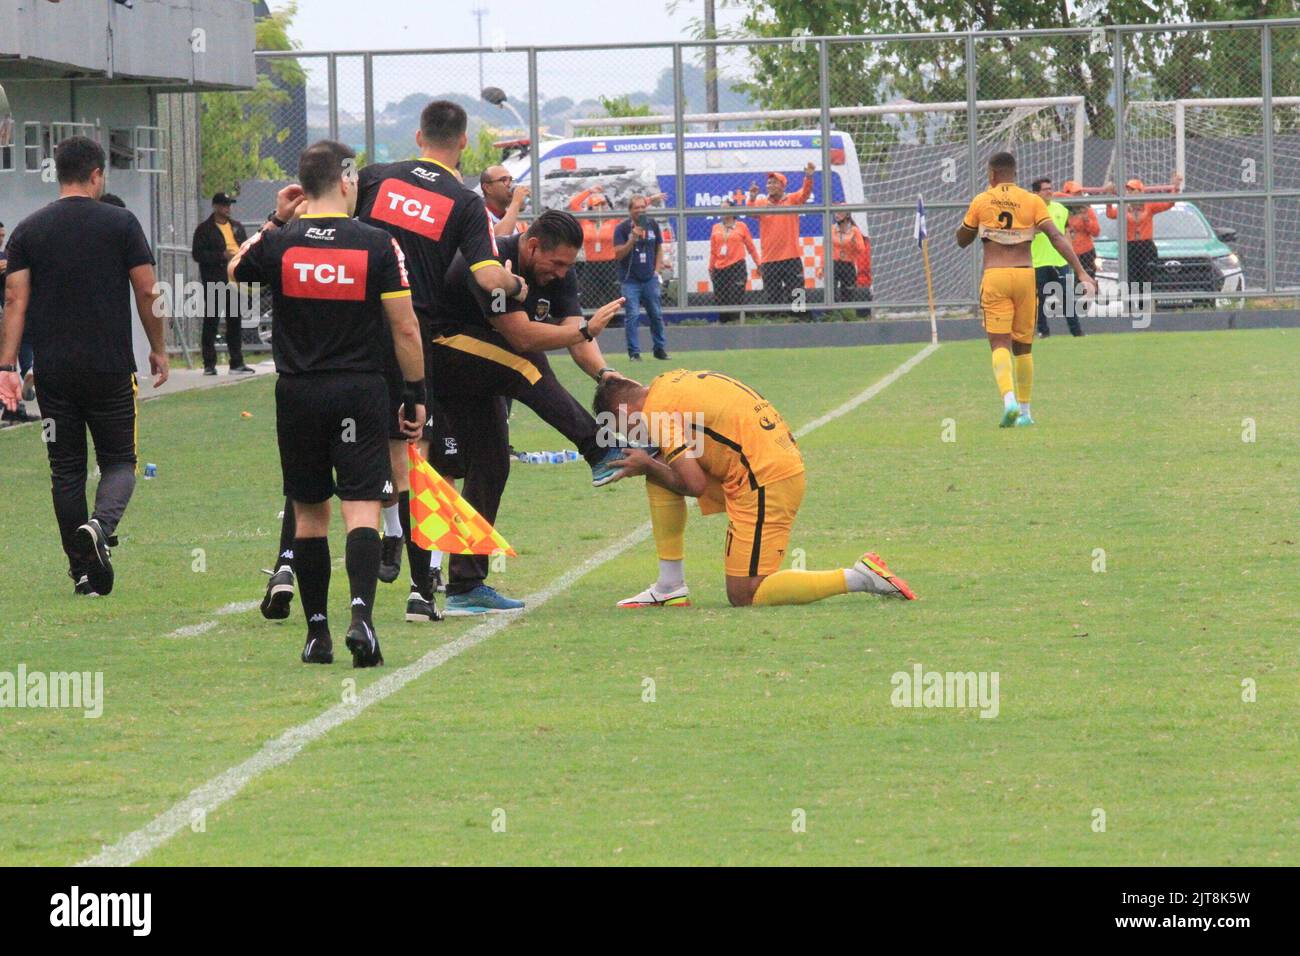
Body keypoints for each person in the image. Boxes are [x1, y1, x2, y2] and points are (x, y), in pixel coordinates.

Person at [262, 100, 527, 627]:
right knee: (411, 464)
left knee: (313, 465)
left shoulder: (377, 177)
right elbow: (489, 279)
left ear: (418, 134)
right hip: (410, 334)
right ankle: (418, 591)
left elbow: (325, 221)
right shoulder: (463, 201)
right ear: (465, 142)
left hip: (350, 337)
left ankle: (286, 567)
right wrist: (518, 283)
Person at [230, 140, 426, 667]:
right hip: (359, 391)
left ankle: (317, 633)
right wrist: (415, 393)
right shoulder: (378, 244)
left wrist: (275, 216)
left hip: (297, 393)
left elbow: (235, 271)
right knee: (360, 507)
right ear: (344, 180)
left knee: (309, 515)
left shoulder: (282, 242)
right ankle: (361, 617)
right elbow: (405, 326)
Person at [431, 210, 626, 615]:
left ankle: (465, 586)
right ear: (532, 245)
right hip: (443, 349)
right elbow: (521, 336)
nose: (561, 273)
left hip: (485, 363)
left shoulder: (561, 271)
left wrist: (605, 374)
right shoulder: (493, 260)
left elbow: (575, 335)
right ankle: (599, 451)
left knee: (491, 465)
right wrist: (585, 330)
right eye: (556, 263)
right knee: (529, 364)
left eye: (568, 265)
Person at [0, 136, 170, 595]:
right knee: (119, 462)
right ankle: (99, 527)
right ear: (97, 175)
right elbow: (148, 291)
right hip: (110, 369)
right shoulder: (120, 223)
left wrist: (5, 366)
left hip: (53, 373)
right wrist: (158, 346)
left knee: (66, 470)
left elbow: (14, 299)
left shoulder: (28, 230)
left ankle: (82, 572)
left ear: (59, 174)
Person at [594, 371, 916, 608]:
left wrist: (647, 464)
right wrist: (653, 464)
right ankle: (669, 587)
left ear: (625, 412)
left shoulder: (656, 413)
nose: (635, 437)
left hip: (765, 480)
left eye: (624, 429)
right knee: (659, 467)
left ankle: (861, 577)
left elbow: (694, 485)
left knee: (746, 595)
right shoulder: (666, 382)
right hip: (764, 463)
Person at [955, 152, 1096, 428]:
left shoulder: (982, 200)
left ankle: (1008, 400)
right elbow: (1057, 237)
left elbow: (962, 239)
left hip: (995, 276)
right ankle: (1026, 412)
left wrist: (974, 225)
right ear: (1014, 174)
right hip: (1024, 276)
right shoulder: (1031, 201)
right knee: (1023, 346)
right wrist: (1081, 272)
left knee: (999, 344)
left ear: (991, 174)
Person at [192, 192, 254, 376]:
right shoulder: (204, 229)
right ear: (216, 206)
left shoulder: (237, 227)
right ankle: (209, 364)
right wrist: (221, 256)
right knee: (211, 321)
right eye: (224, 205)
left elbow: (246, 247)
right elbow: (198, 254)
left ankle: (236, 362)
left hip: (234, 279)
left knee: (234, 321)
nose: (228, 208)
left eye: (229, 205)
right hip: (215, 280)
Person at [745, 163, 816, 306]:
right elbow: (750, 213)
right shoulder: (761, 202)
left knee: (797, 294)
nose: (770, 185)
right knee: (772, 297)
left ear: (783, 185)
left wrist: (808, 176)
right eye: (769, 182)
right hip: (769, 259)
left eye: (774, 182)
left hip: (791, 257)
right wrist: (752, 198)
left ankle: (799, 321)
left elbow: (805, 193)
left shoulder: (792, 199)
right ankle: (775, 323)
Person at [1106, 173, 1182, 304]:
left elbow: (1169, 203)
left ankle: (1144, 306)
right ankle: (1129, 308)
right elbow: (1110, 214)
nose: (1129, 192)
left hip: (1146, 246)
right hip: (1130, 246)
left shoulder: (1149, 206)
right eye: (1128, 190)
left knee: (1146, 278)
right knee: (1131, 279)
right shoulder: (1123, 206)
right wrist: (1109, 196)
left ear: (1140, 192)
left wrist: (1175, 187)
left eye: (1132, 189)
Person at [613, 194, 669, 361]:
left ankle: (659, 349)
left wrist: (657, 270)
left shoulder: (652, 225)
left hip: (649, 278)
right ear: (630, 210)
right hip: (630, 280)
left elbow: (659, 247)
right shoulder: (622, 228)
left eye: (643, 207)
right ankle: (634, 353)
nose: (640, 210)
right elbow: (618, 254)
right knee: (633, 315)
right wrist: (633, 239)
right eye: (636, 208)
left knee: (656, 314)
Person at [1029, 177, 1076, 337]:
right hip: (1037, 262)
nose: (1050, 191)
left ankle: (1077, 333)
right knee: (1038, 301)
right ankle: (1043, 332)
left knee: (1067, 300)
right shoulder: (1029, 210)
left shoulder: (1061, 209)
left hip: (1059, 261)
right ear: (1035, 193)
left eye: (1051, 188)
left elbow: (1066, 233)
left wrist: (1070, 256)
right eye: (1045, 189)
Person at [569, 186, 620, 310]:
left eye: (603, 205)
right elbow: (573, 204)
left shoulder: (614, 220)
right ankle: (591, 322)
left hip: (610, 264)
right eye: (597, 205)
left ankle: (614, 322)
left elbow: (633, 210)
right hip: (591, 264)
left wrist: (649, 200)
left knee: (612, 296)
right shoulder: (585, 221)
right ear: (591, 208)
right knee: (588, 296)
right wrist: (589, 191)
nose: (600, 208)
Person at [1060, 180, 1100, 329]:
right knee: (1068, 286)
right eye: (1076, 194)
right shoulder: (1060, 208)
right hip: (1067, 254)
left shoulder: (1086, 210)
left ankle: (1083, 314)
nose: (1080, 196)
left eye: (1080, 193)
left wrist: (1086, 220)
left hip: (1085, 253)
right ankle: (1070, 315)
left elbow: (1096, 232)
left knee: (1088, 286)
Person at [708, 199, 758, 311]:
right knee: (721, 300)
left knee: (736, 297)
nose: (722, 211)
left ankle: (737, 324)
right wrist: (711, 268)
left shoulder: (742, 226)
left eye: (725, 208)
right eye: (721, 208)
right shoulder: (715, 227)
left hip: (737, 267)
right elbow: (713, 251)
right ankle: (724, 325)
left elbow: (751, 248)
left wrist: (758, 264)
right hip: (719, 269)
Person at [829, 208, 870, 309]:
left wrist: (854, 243)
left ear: (847, 215)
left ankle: (847, 315)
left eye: (840, 212)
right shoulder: (832, 229)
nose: (837, 215)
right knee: (831, 292)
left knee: (848, 293)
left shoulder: (854, 230)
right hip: (834, 263)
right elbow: (825, 249)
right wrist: (822, 266)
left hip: (848, 264)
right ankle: (832, 314)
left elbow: (861, 249)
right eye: (836, 213)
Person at [480, 165, 529, 237]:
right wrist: (516, 202)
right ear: (488, 188)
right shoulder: (478, 214)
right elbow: (496, 239)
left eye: (511, 180)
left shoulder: (512, 216)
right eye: (504, 180)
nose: (510, 185)